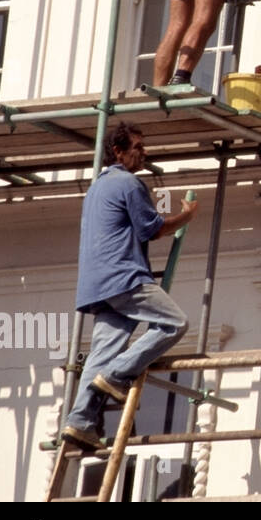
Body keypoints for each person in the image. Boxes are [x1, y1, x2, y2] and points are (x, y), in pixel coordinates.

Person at [61, 123, 199, 448]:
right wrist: (187, 216)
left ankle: (79, 422)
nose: (144, 152)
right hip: (123, 276)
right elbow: (152, 229)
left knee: (101, 352)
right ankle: (117, 374)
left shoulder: (97, 187)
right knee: (176, 323)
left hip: (96, 284)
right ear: (118, 152)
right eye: (137, 146)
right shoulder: (129, 183)